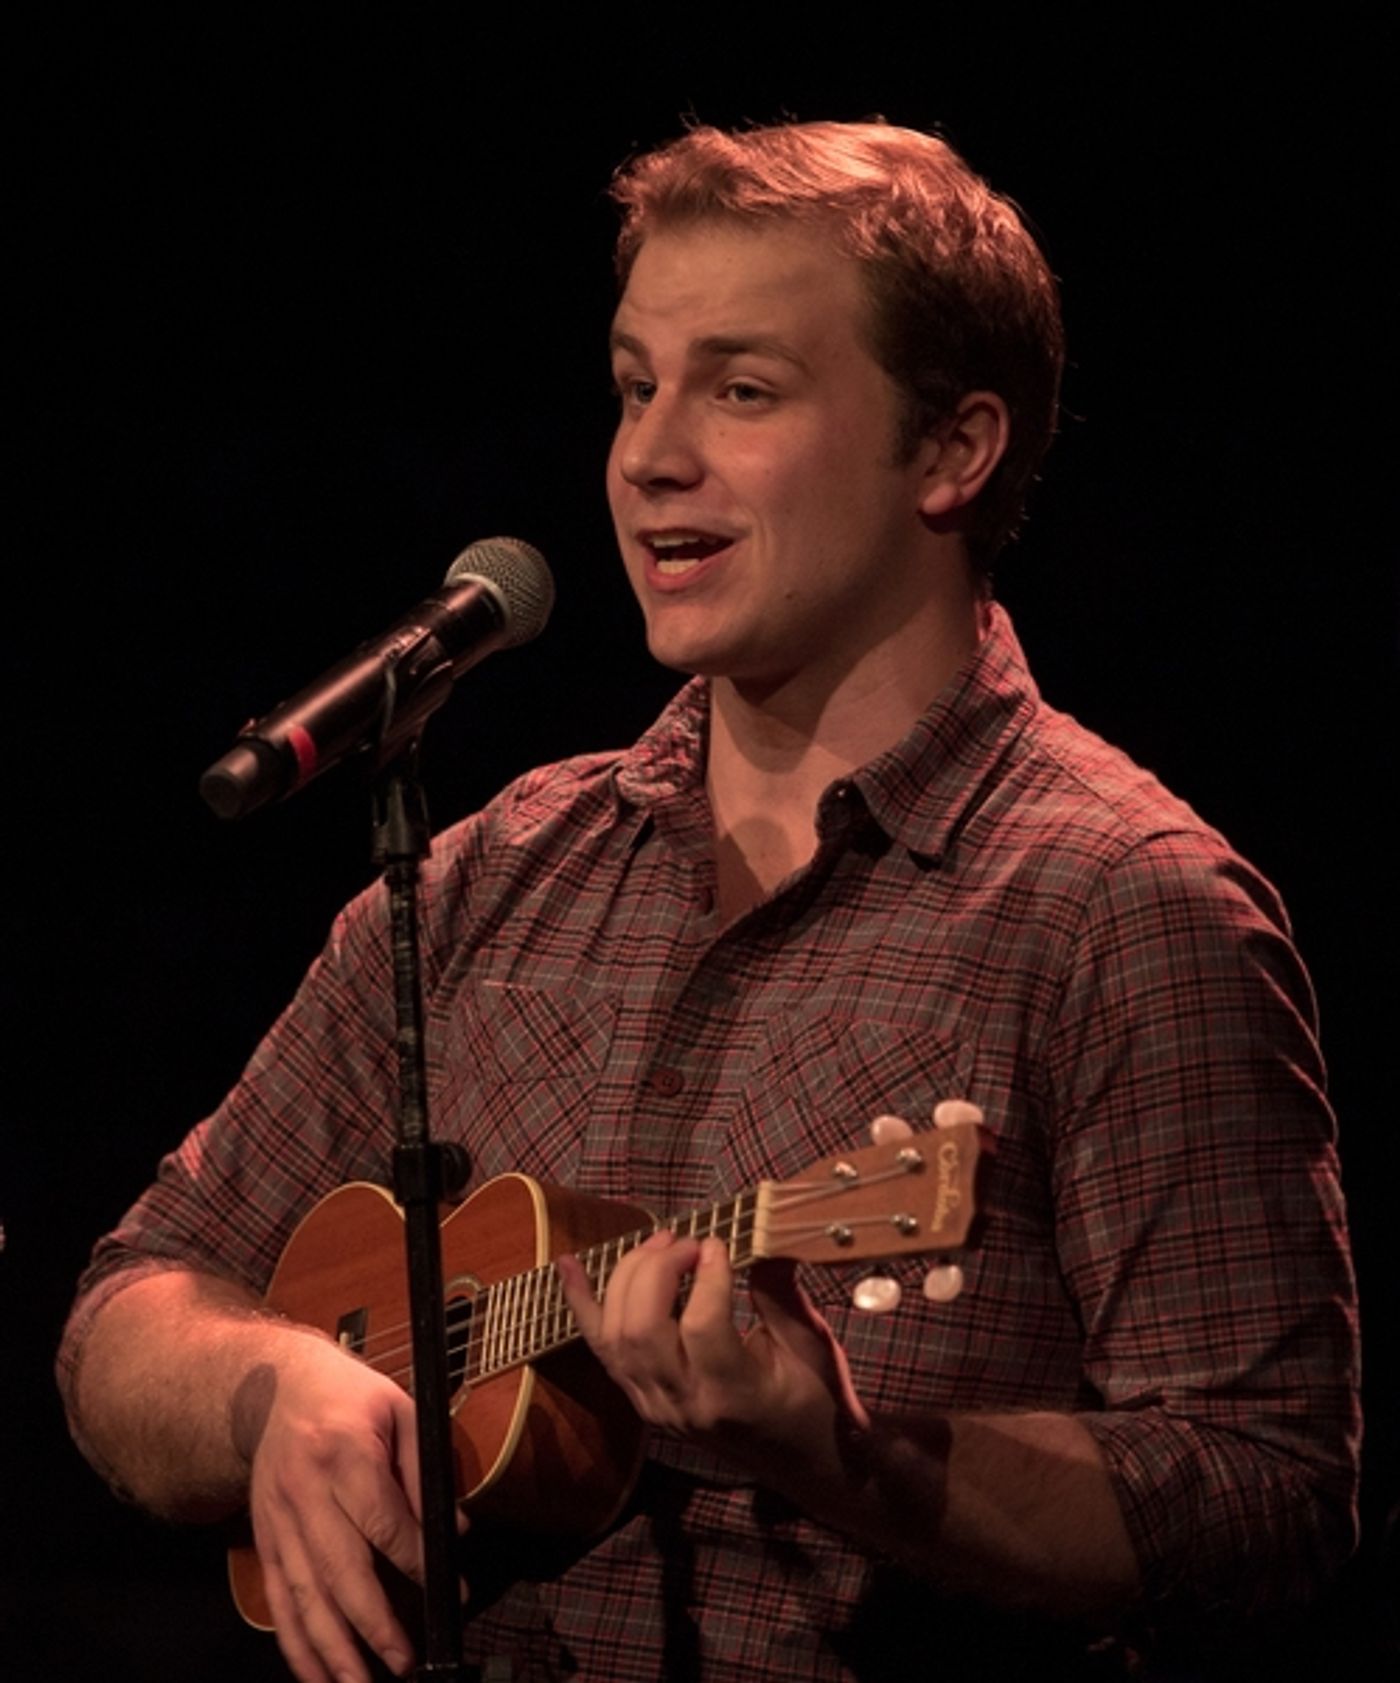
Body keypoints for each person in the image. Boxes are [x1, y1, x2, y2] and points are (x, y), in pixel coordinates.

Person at [57, 120, 1360, 1683]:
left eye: (741, 390)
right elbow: (133, 1299)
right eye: (634, 385)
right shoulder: (497, 870)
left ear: (953, 451)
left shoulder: (1127, 908)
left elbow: (1271, 1503)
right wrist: (274, 1393)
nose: (648, 455)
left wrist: (845, 1456)